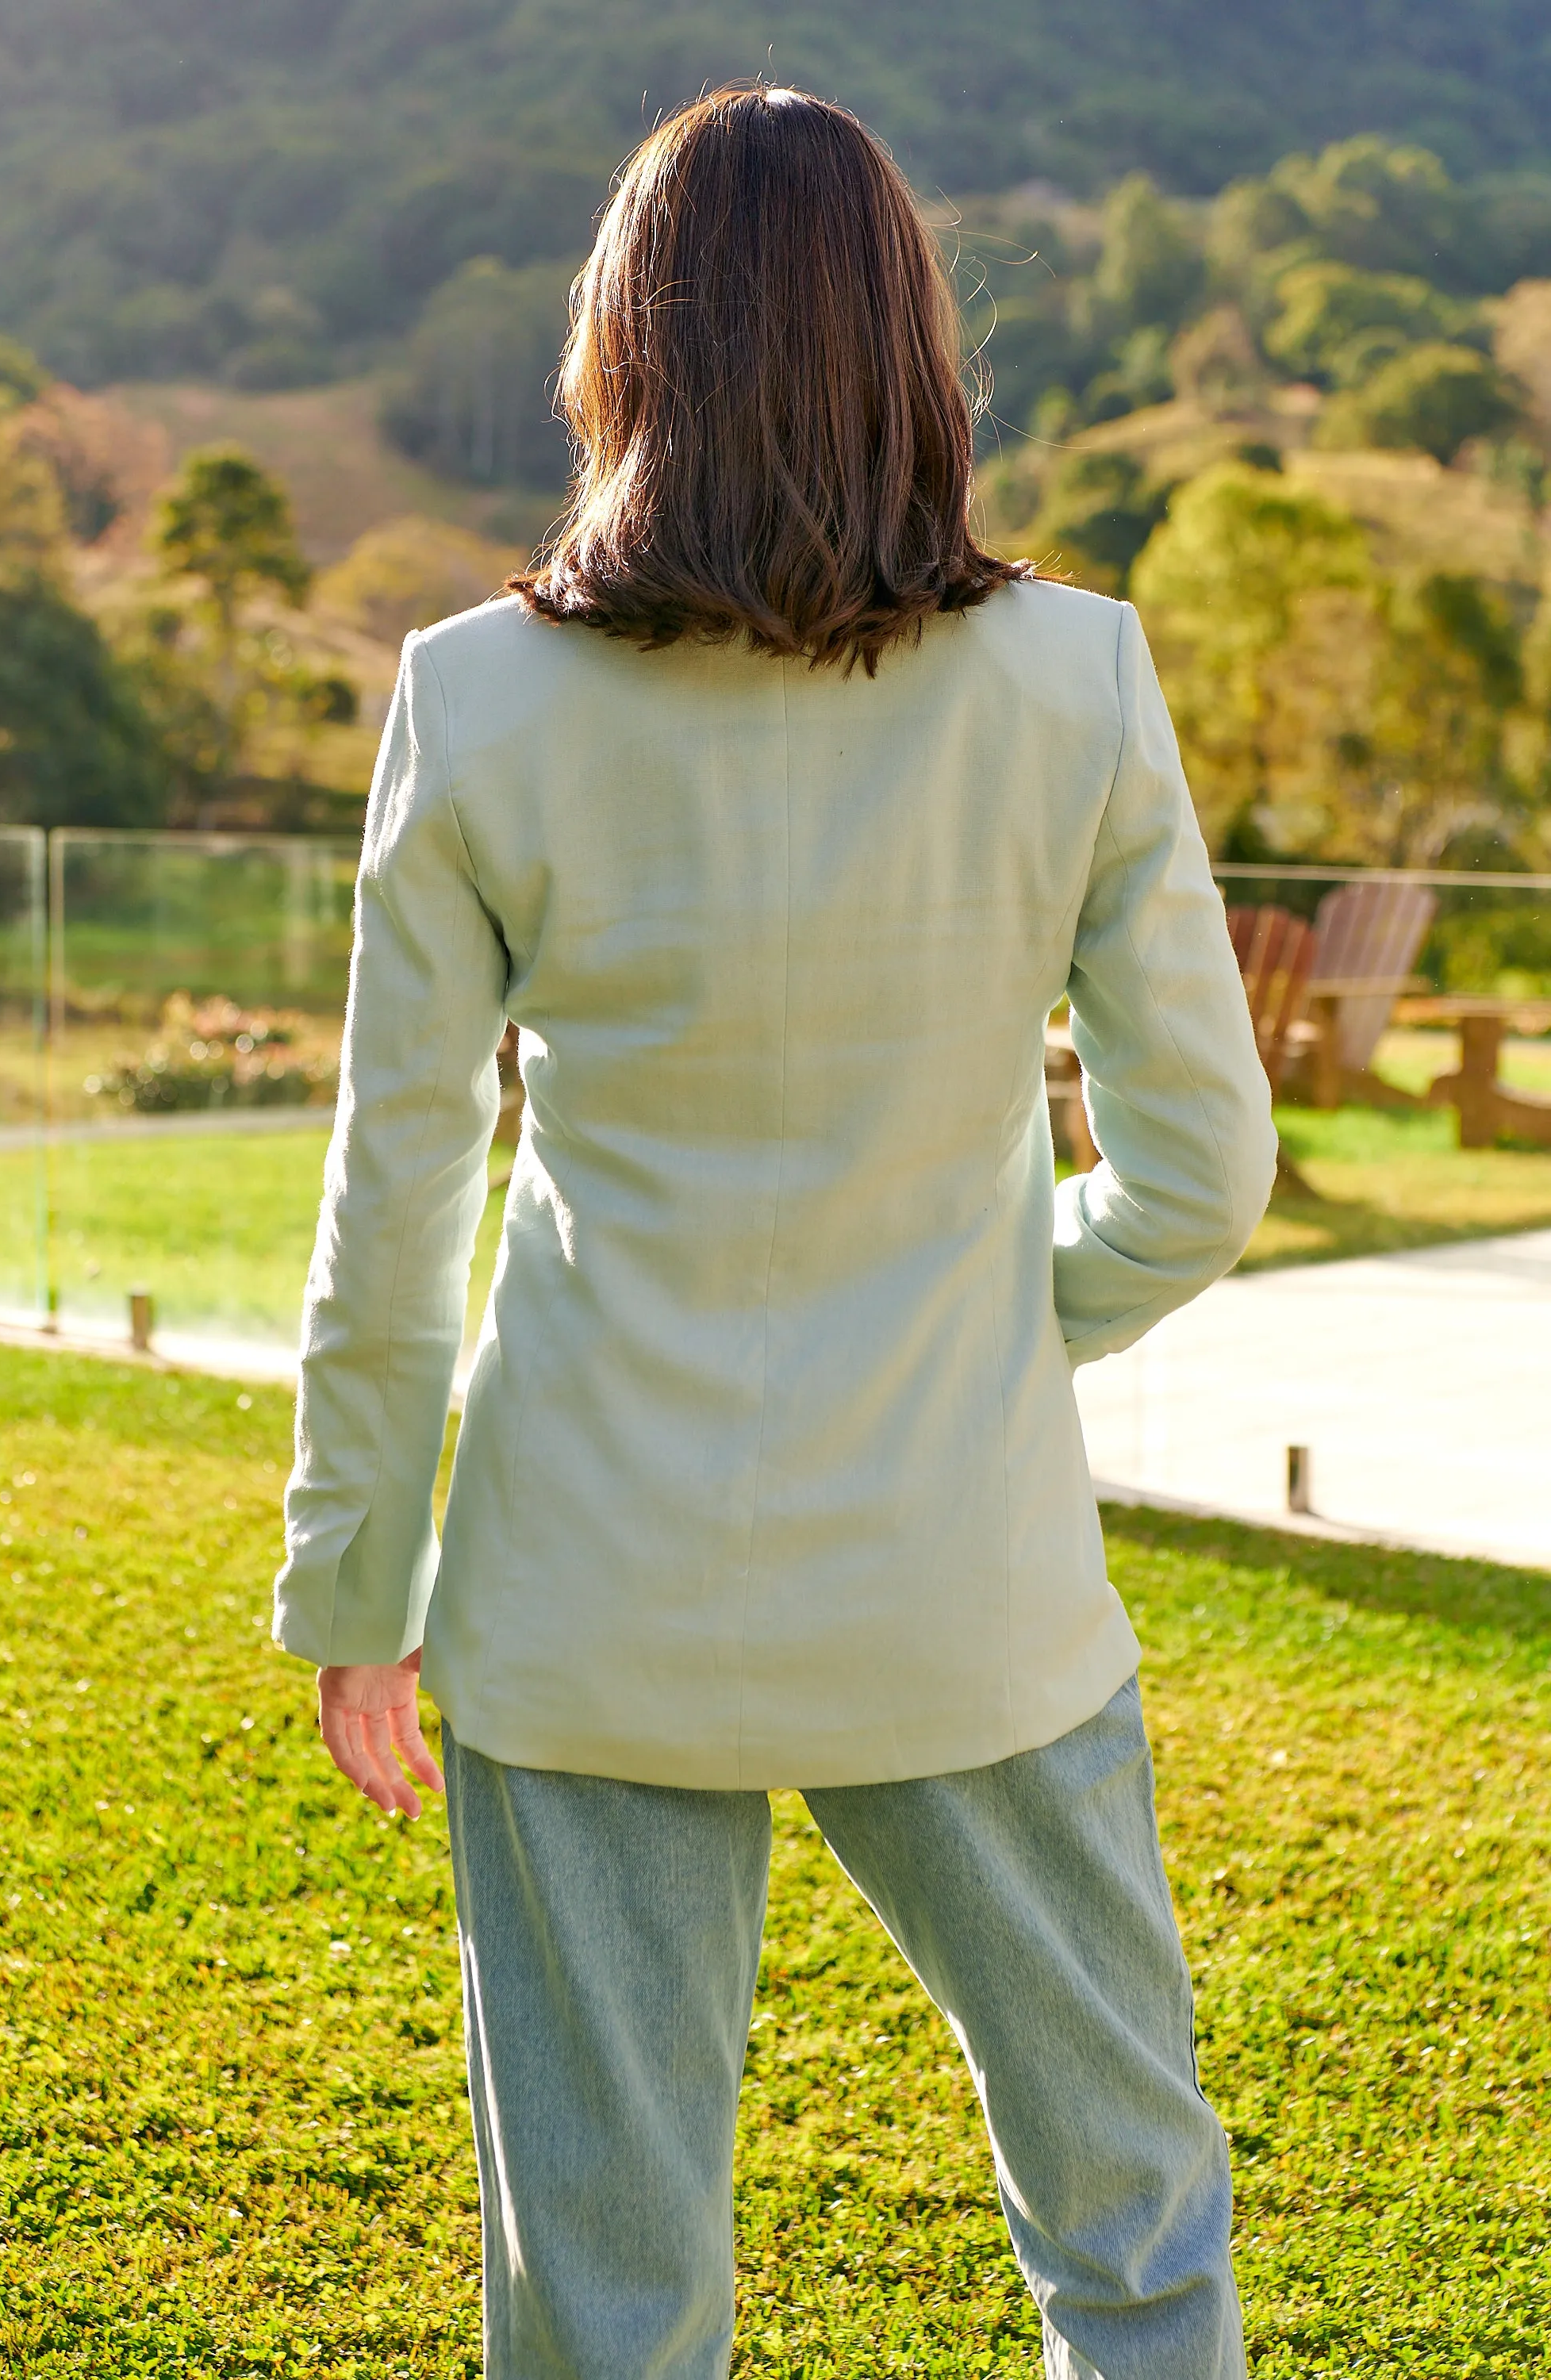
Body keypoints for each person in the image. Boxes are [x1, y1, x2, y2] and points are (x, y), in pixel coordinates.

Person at [274, 83, 1275, 2380]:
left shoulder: (473, 696)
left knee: (605, 2300)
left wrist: (351, 1585)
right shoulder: (1077, 678)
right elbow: (1206, 1175)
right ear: (914, 348)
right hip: (972, 1580)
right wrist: (993, 1325)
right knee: (1128, 2228)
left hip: (577, 1586)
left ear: (620, 347)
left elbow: (397, 1195)